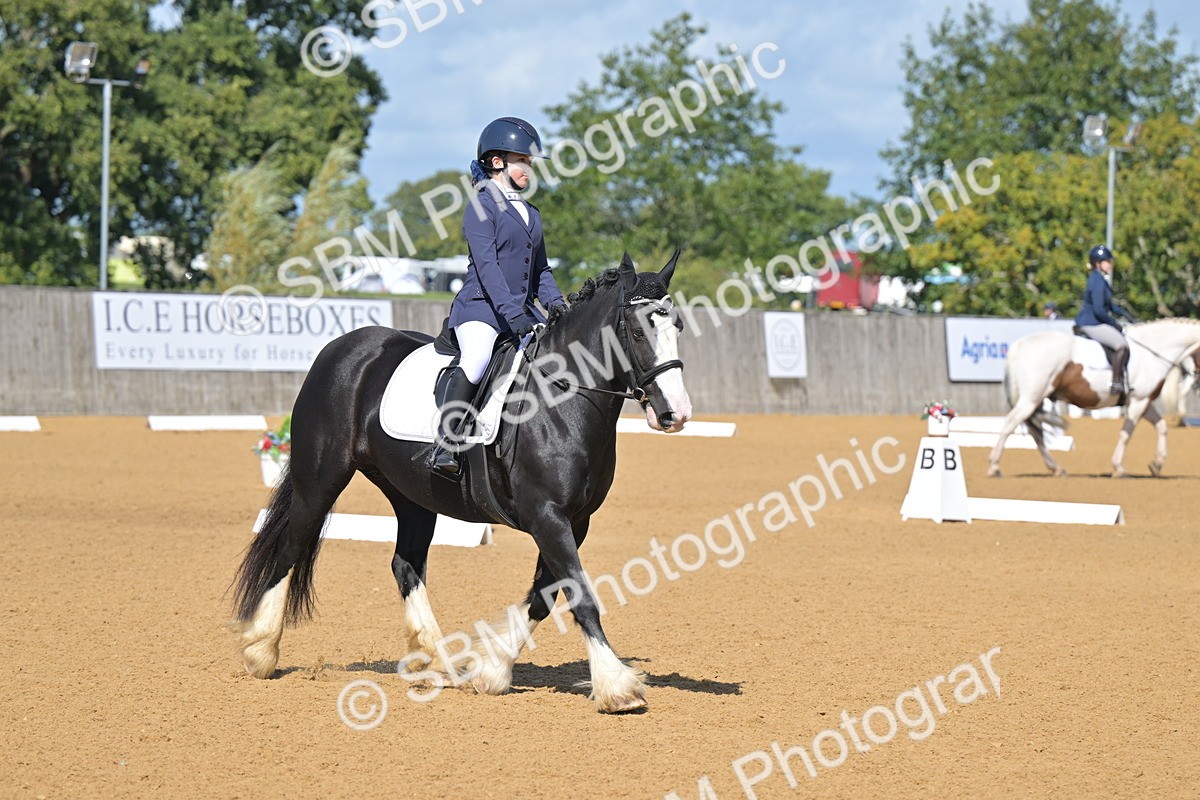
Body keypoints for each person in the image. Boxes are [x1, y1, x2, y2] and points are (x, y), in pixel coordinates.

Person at [429, 116, 567, 478]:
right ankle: (447, 442)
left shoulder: (530, 213)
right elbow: (488, 268)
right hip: (481, 309)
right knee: (476, 359)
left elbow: (541, 272)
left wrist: (558, 308)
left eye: (530, 162)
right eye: (523, 161)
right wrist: (513, 312)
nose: (529, 169)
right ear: (497, 162)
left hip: (522, 311)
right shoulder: (481, 205)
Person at [1074, 244, 1136, 396]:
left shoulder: (1100, 279)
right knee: (1122, 345)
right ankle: (1116, 383)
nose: (1110, 264)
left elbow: (1108, 305)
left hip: (1095, 320)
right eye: (1107, 261)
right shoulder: (1096, 281)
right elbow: (1099, 310)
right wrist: (1114, 325)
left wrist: (1125, 314)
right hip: (1091, 322)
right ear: (1098, 263)